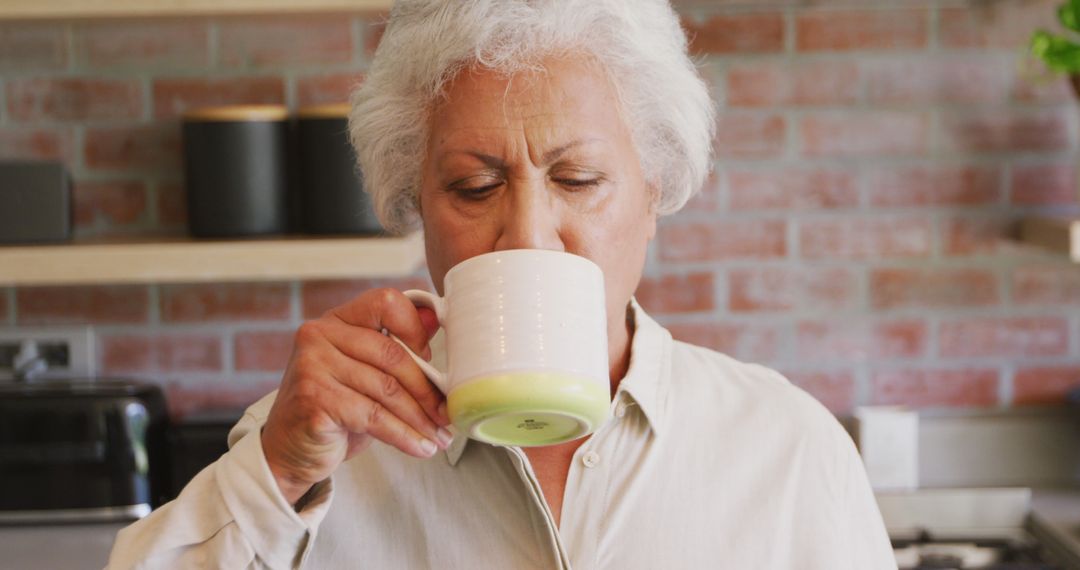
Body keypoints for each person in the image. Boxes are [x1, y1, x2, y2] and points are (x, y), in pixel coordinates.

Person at [107, 1, 897, 568]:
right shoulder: (304, 451)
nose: (526, 235)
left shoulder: (789, 451)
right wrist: (275, 476)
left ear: (654, 194)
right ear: (415, 205)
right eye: (475, 188)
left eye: (579, 178)